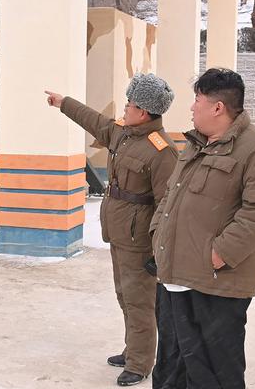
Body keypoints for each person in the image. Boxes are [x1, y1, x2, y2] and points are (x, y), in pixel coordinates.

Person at [149, 68, 255, 389]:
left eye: (197, 100)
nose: (192, 108)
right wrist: (158, 233)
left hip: (215, 287)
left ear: (217, 107)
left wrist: (219, 254)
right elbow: (171, 194)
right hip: (173, 278)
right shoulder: (195, 144)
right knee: (171, 368)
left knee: (214, 374)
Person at [46, 73, 178, 387]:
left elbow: (167, 206)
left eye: (130, 104)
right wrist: (64, 103)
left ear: (144, 112)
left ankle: (141, 363)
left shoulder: (162, 151)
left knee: (139, 301)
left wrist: (159, 250)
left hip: (140, 242)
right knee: (124, 296)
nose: (125, 108)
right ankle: (134, 348)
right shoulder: (124, 133)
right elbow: (94, 121)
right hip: (119, 234)